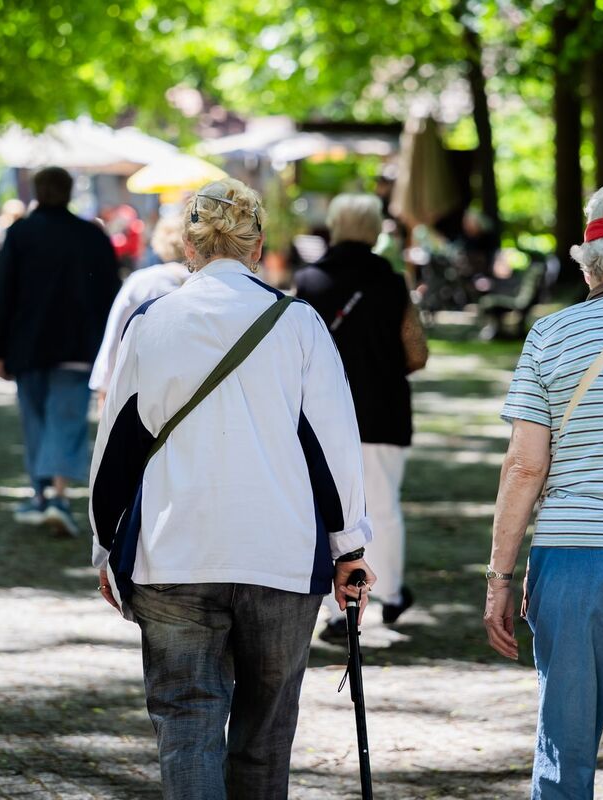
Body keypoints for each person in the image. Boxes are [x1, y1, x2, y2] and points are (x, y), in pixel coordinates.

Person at [89, 178, 376, 799]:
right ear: (258, 245)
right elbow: (335, 449)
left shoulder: (152, 323)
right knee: (266, 734)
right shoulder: (299, 325)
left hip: (173, 553)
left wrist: (105, 544)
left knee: (186, 725)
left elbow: (115, 447)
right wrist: (348, 545)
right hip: (280, 551)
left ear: (188, 247)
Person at [484, 183, 603, 799]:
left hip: (578, 557)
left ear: (588, 263)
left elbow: (524, 468)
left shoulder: (552, 336)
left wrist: (500, 576)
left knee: (566, 743)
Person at [295, 193, 427, 641]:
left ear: (333, 225)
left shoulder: (309, 281)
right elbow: (416, 351)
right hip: (383, 408)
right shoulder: (391, 281)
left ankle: (336, 612)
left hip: (319, 417)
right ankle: (389, 594)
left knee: (326, 511)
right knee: (383, 504)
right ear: (373, 230)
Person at [0, 166, 119, 536]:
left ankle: (41, 493)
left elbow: (4, 295)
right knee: (67, 420)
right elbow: (110, 294)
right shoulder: (92, 237)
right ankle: (59, 496)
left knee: (35, 420)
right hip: (78, 345)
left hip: (27, 344)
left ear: (37, 192)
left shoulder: (20, 233)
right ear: (68, 191)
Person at [90, 214, 190, 406]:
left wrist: (105, 387)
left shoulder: (141, 282)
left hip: (143, 391)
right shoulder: (208, 283)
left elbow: (115, 339)